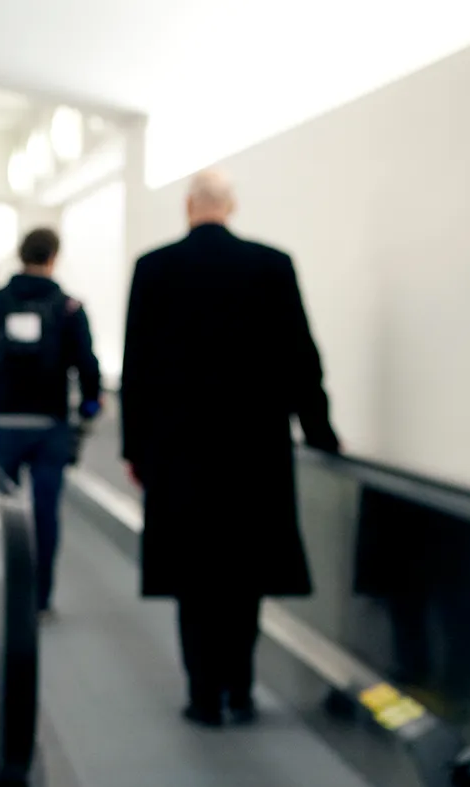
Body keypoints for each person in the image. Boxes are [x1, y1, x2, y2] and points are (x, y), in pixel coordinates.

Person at [120, 168, 341, 727]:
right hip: (254, 447)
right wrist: (319, 430)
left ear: (187, 207)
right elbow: (301, 355)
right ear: (232, 206)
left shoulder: (154, 268)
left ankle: (203, 695)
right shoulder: (272, 265)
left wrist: (135, 447)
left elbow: (136, 364)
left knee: (193, 575)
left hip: (178, 448)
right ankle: (240, 688)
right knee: (245, 572)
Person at [0, 228, 102, 616]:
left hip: (1, 423)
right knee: (46, 514)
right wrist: (89, 406)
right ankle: (40, 598)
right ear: (54, 257)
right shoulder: (68, 307)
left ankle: (3, 594)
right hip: (49, 426)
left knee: (1, 510)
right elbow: (87, 364)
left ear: (20, 255)